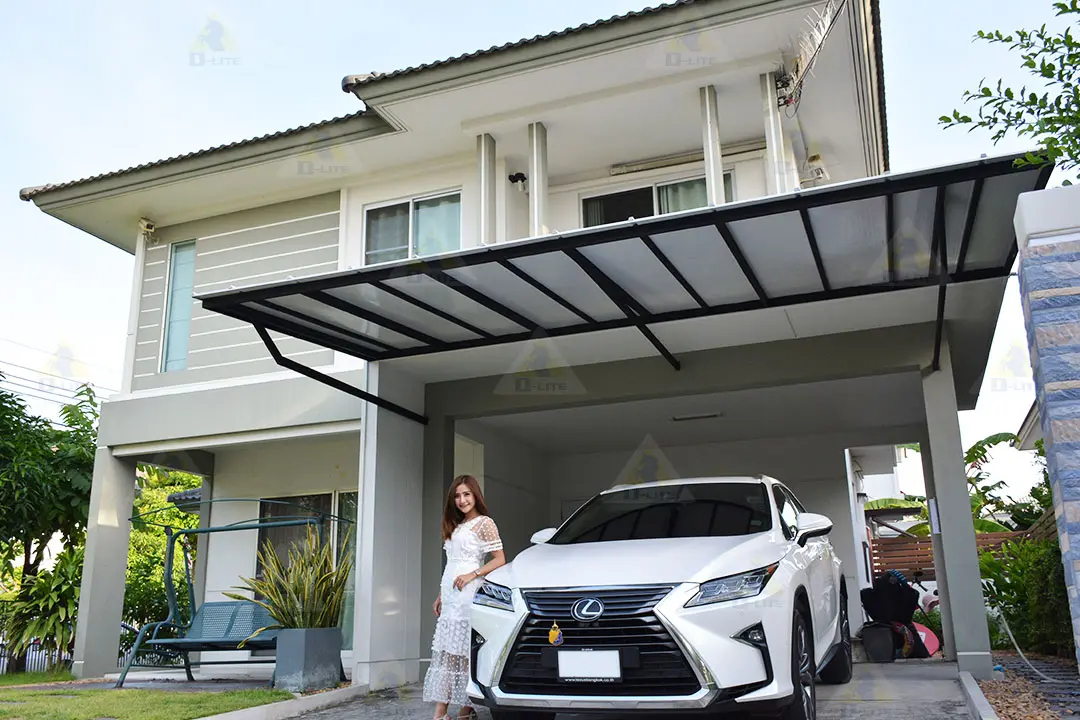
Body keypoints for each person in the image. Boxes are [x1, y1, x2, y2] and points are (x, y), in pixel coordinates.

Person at [423, 474, 506, 720]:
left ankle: (449, 713)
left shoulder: (485, 523)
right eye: (457, 496)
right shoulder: (456, 525)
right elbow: (452, 564)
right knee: (451, 653)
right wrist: (440, 595)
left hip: (468, 593)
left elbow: (500, 559)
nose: (462, 500)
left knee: (463, 654)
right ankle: (459, 712)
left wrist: (473, 574)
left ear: (475, 495)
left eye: (467, 494)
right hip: (450, 595)